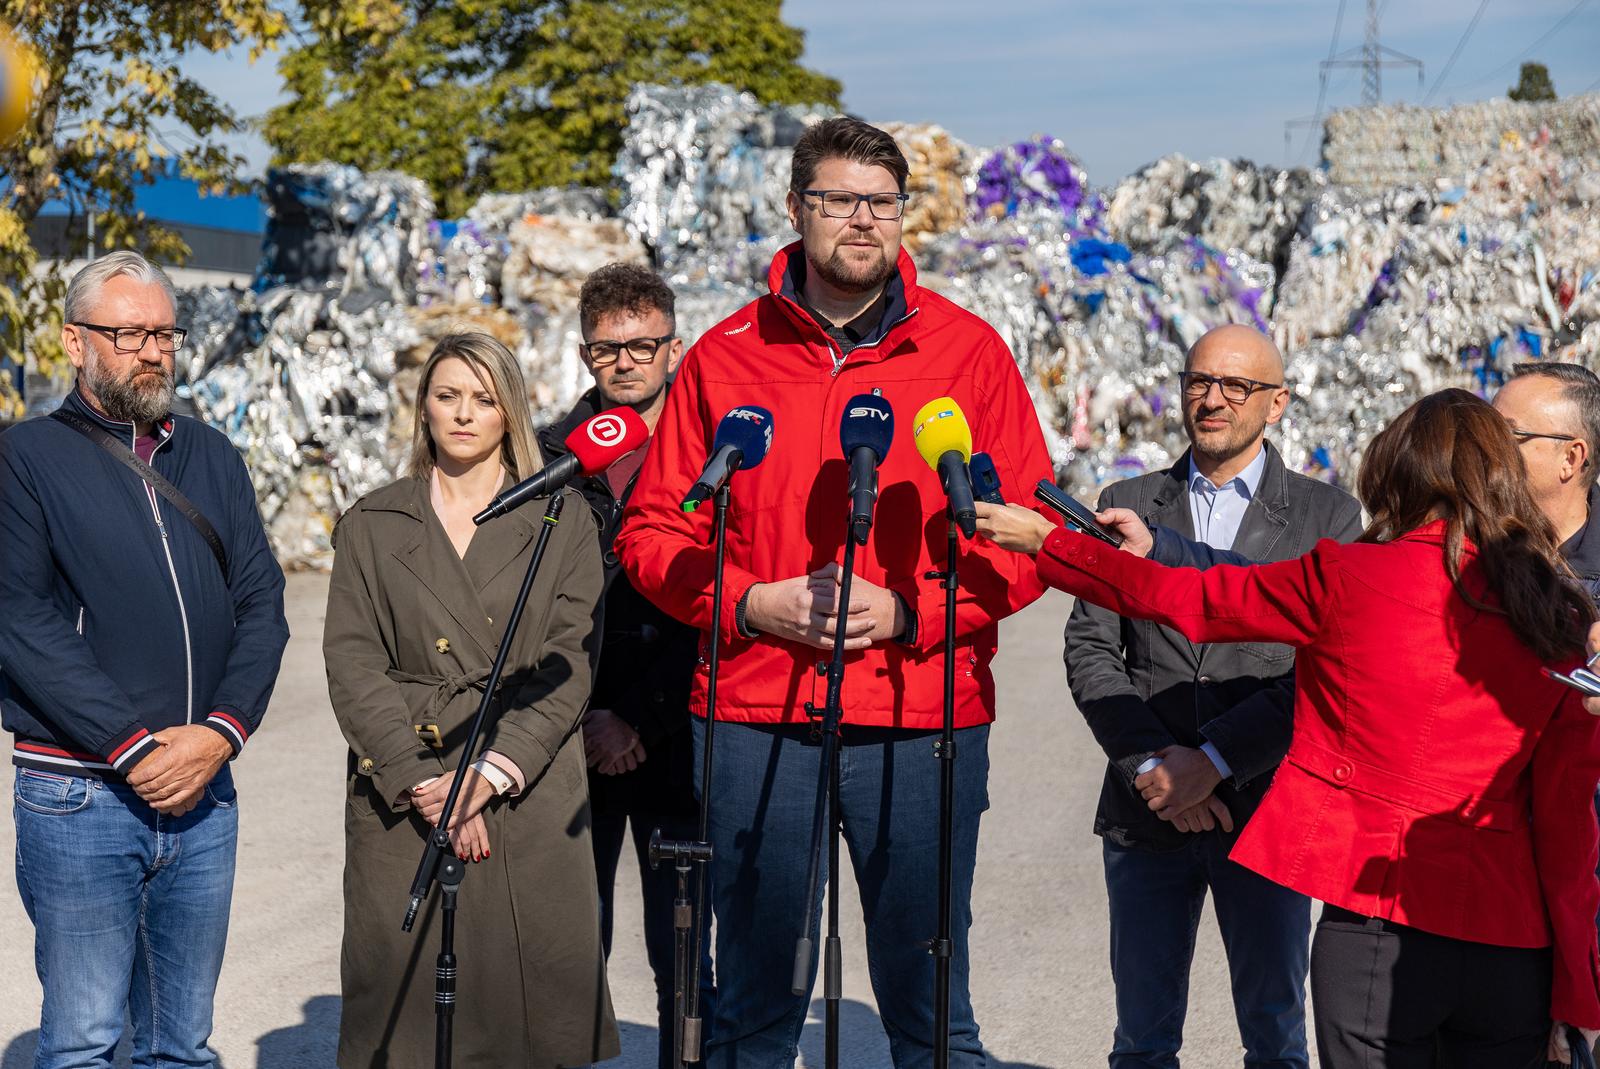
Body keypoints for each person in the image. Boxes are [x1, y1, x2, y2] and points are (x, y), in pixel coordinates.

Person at [975, 388, 1600, 1067]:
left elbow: (1187, 600)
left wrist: (1054, 543)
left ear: (1397, 471)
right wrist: (1575, 997)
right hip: (1510, 944)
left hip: (1374, 925)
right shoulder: (1559, 615)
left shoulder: (1347, 575)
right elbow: (1570, 831)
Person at [615, 116, 1053, 1067]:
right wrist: (744, 604)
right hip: (752, 714)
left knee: (934, 1009)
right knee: (753, 1011)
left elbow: (1027, 541)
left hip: (921, 713)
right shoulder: (723, 358)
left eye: (883, 202)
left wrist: (913, 613)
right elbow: (652, 532)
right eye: (841, 200)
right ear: (796, 209)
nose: (864, 220)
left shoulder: (969, 355)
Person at [0, 250, 289, 1068]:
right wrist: (134, 745)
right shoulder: (26, 458)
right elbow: (18, 619)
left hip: (204, 793)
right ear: (74, 341)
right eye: (129, 333)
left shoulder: (212, 456)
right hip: (81, 793)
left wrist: (220, 733)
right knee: (86, 1040)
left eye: (165, 332)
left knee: (182, 1044)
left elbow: (263, 605)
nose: (153, 351)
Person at [1064, 324, 1362, 1069]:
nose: (1213, 399)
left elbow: (1324, 673)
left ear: (1278, 404)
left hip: (1266, 809)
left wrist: (1216, 759)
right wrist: (1155, 767)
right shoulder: (1128, 501)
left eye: (1237, 385)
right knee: (1140, 1039)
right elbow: (1093, 647)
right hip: (1148, 806)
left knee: (1276, 1038)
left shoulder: (1329, 519)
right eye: (1200, 380)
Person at [323, 332, 618, 1068]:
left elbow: (569, 665)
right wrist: (426, 781)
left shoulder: (563, 518)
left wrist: (485, 776)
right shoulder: (372, 522)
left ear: (509, 412)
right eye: (447, 395)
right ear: (423, 406)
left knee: (526, 1020)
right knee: (407, 1019)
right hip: (405, 788)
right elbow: (353, 660)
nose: (463, 414)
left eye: (483, 399)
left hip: (527, 786)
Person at [538, 263, 711, 1069]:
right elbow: (530, 609)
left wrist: (639, 716)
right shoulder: (545, 457)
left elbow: (713, 603)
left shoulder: (716, 455)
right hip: (569, 737)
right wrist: (580, 719)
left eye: (645, 345)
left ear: (674, 348)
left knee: (681, 947)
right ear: (585, 354)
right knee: (572, 943)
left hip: (676, 734)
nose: (628, 361)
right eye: (611, 348)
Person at [1493, 361, 1600, 600]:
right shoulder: (1466, 550)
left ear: (1570, 458)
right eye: (1487, 430)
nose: (1487, 446)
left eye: (1508, 434)